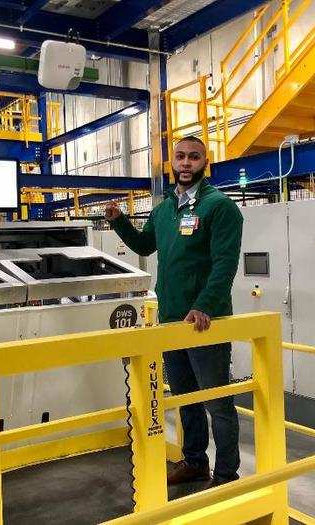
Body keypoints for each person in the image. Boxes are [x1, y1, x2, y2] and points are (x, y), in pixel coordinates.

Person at [105, 136, 243, 488]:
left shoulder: (220, 207)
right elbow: (144, 245)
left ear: (204, 161)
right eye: (180, 156)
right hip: (170, 319)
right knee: (185, 399)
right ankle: (195, 463)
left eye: (193, 157)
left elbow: (225, 266)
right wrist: (120, 222)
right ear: (172, 163)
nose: (185, 163)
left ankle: (227, 475)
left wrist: (205, 306)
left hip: (204, 323)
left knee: (217, 402)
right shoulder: (164, 210)